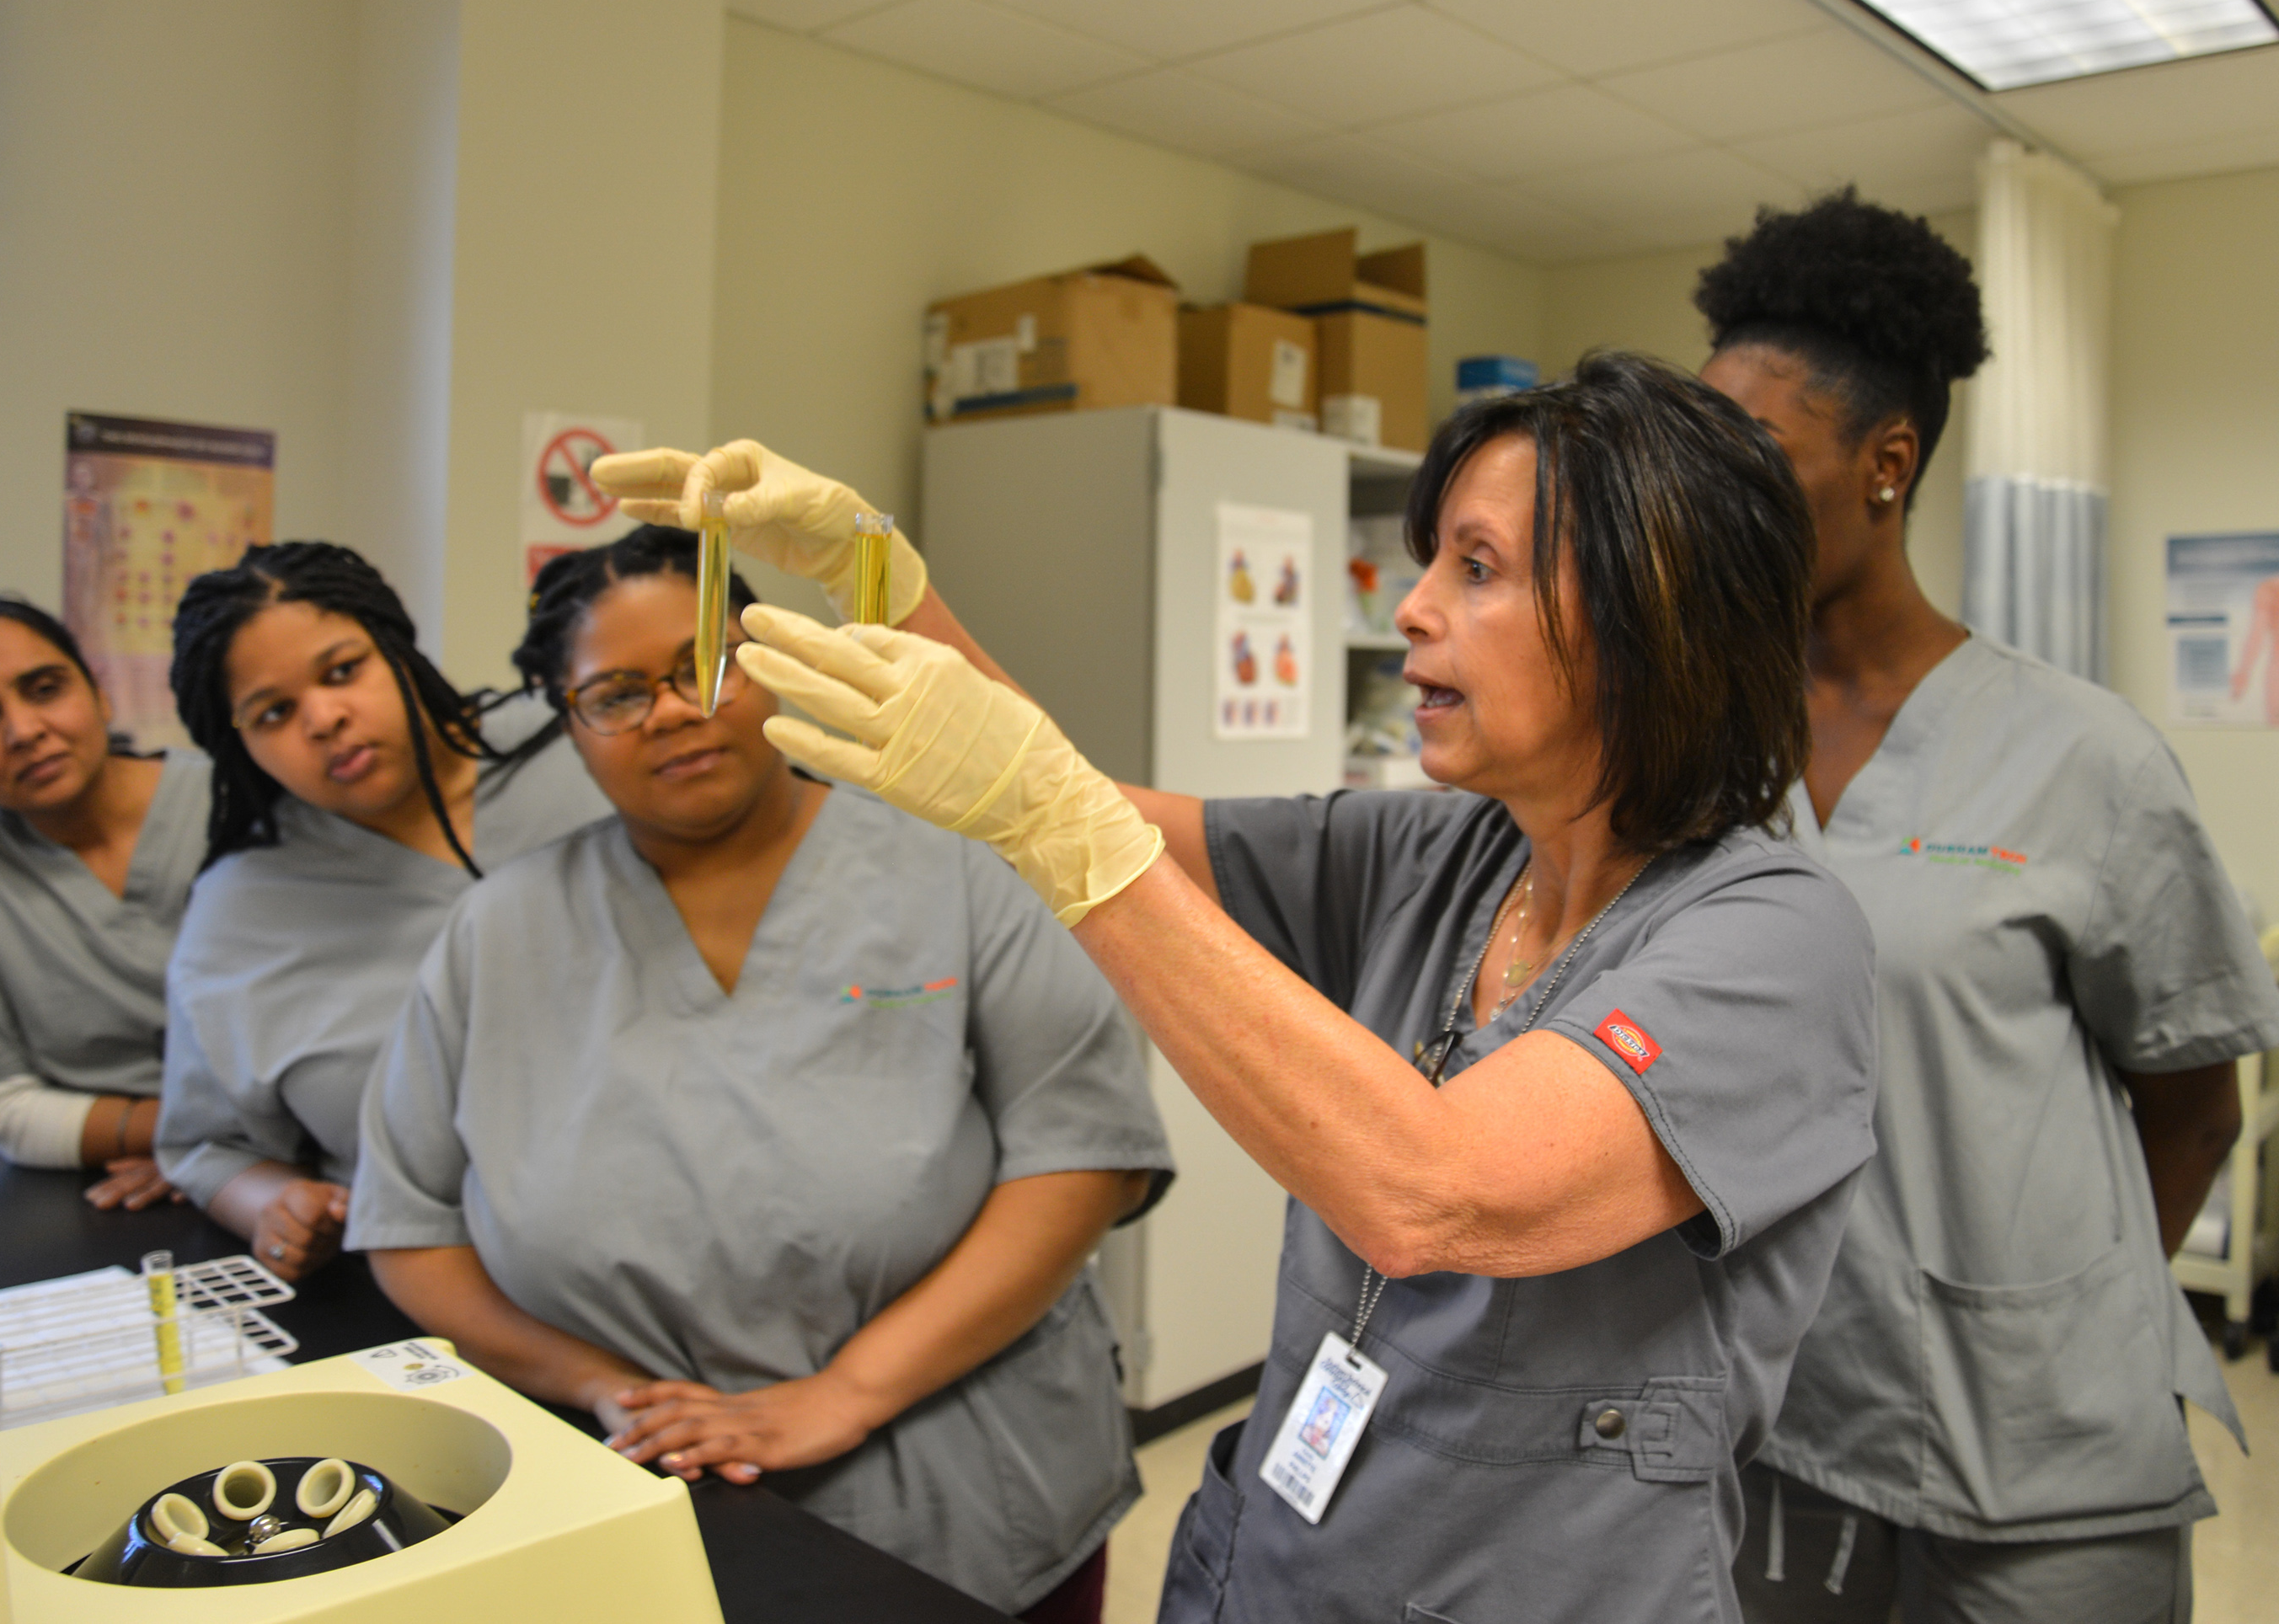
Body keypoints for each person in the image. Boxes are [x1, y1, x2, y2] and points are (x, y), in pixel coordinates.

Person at [597, 365, 1880, 1624]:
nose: (1414, 608)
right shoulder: (1445, 853)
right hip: (1275, 1567)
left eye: (1477, 568)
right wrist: (874, 574)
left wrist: (1049, 818)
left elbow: (1434, 1191)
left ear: (1654, 618)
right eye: (1431, 561)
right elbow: (1093, 809)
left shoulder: (1773, 941)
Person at [344, 528, 1169, 1621]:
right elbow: (409, 1223)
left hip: (970, 1486)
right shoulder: (496, 933)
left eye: (706, 664)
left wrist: (847, 1390)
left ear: (770, 661)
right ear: (567, 724)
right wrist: (601, 1385)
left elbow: (1083, 1156)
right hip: (638, 1485)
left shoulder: (957, 870)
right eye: (615, 694)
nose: (673, 711)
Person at [1694, 191, 2279, 1622]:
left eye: (1755, 457)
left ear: (1886, 465)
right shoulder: (1698, 755)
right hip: (1778, 1435)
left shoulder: (2084, 757)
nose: (1713, 498)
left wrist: (2045, 1334)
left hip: (2046, 1471)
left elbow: (2195, 1107)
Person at [154, 542, 608, 1278]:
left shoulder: (588, 749)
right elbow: (208, 1146)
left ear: (397, 645)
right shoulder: (237, 914)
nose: (324, 718)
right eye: (274, 712)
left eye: (342, 671)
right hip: (429, 1284)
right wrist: (277, 1206)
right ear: (241, 746)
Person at [0, 596, 207, 1210]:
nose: (24, 731)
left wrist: (228, 1151)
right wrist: (191, 1138)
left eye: (44, 689)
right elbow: (4, 1107)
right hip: (94, 1185)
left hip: (315, 1154)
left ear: (100, 693)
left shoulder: (236, 804)